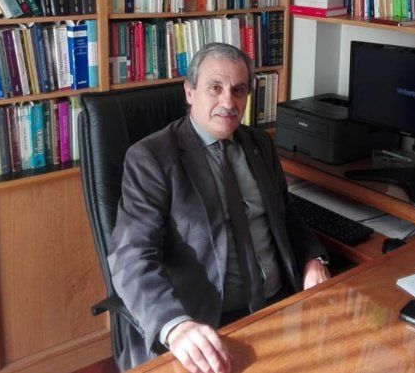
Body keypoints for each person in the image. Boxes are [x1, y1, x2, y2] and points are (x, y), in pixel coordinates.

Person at [109, 42, 330, 373]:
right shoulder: (152, 158)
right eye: (215, 88)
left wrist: (313, 259)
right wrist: (176, 325)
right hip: (206, 324)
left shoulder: (260, 144)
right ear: (189, 92)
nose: (229, 102)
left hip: (281, 305)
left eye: (238, 90)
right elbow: (132, 257)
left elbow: (287, 214)